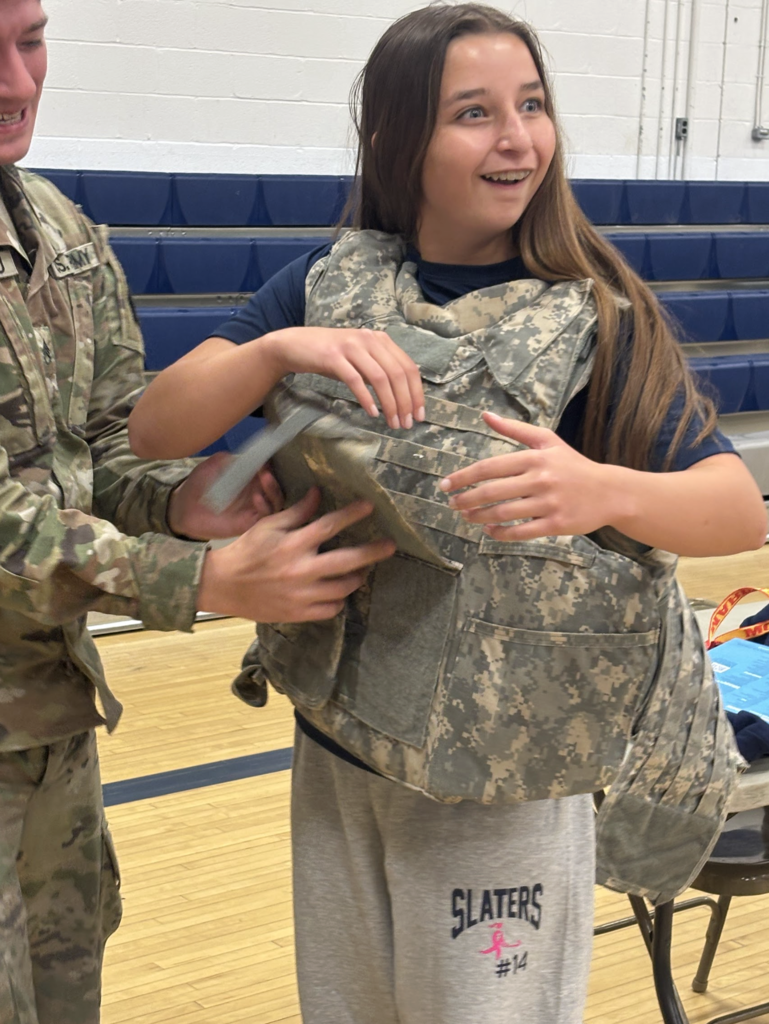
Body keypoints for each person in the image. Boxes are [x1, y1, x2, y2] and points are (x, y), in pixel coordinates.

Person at [129, 4, 768, 1022]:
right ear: (398, 140)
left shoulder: (594, 310)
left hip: (502, 782)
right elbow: (155, 430)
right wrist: (269, 353)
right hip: (340, 745)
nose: (516, 138)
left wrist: (602, 488)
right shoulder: (329, 283)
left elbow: (737, 508)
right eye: (473, 113)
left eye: (532, 105)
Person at [0, 3, 397, 1023]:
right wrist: (196, 578)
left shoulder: (61, 236)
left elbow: (107, 447)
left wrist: (183, 502)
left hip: (47, 730)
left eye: (31, 40)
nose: (16, 81)